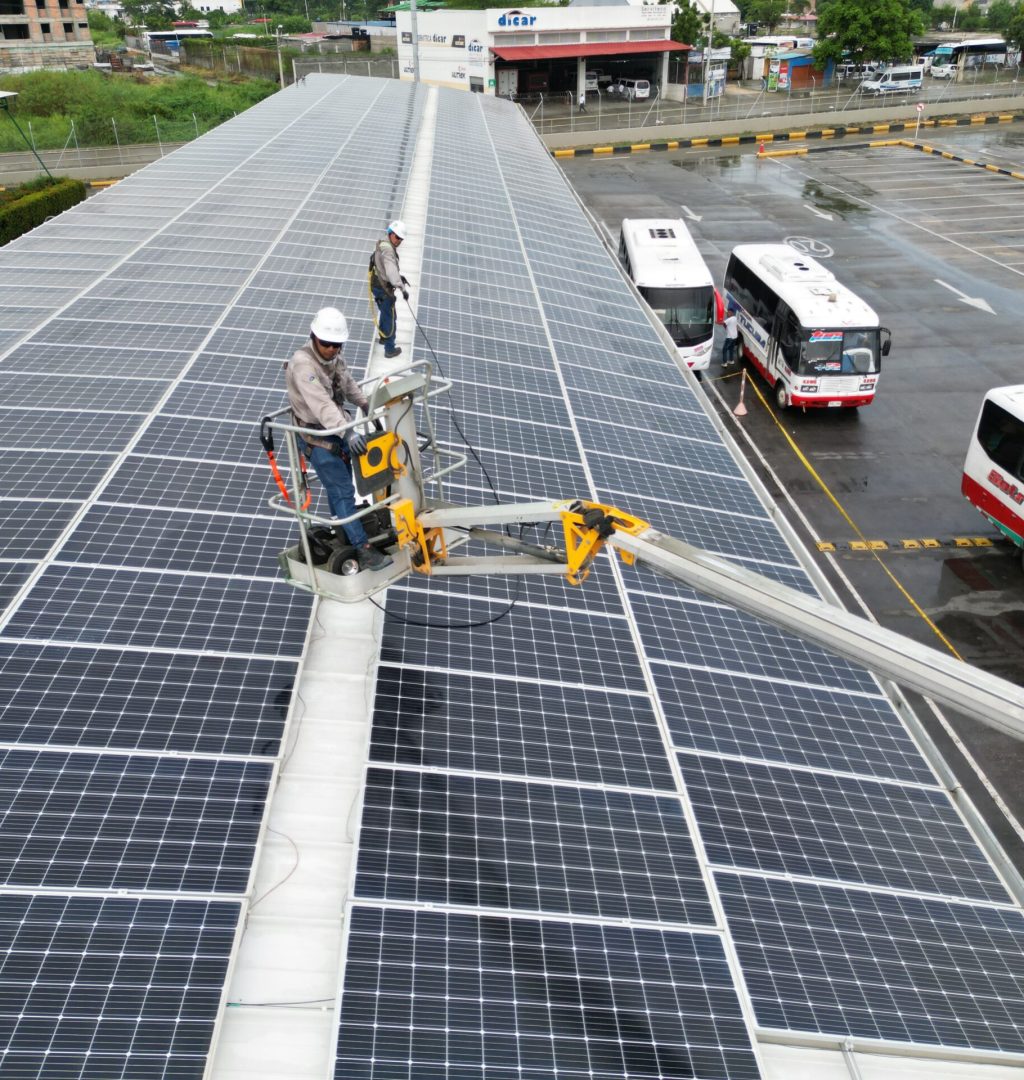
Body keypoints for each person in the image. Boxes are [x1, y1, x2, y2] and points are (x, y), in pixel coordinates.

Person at [284, 307, 392, 573]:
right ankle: (362, 548)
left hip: (337, 428)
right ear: (314, 337)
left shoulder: (334, 359)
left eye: (337, 345)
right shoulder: (303, 365)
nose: (333, 349)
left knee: (350, 483)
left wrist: (365, 404)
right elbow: (321, 405)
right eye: (327, 344)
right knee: (341, 489)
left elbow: (347, 382)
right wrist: (347, 431)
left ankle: (346, 526)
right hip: (318, 436)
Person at [369, 219, 410, 360]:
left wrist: (400, 277)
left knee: (385, 312)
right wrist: (401, 287)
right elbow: (391, 270)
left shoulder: (383, 243)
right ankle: (390, 349)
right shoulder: (387, 249)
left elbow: (386, 269)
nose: (399, 241)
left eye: (401, 239)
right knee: (391, 317)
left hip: (377, 285)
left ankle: (382, 337)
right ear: (390, 233)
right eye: (397, 237)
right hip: (383, 288)